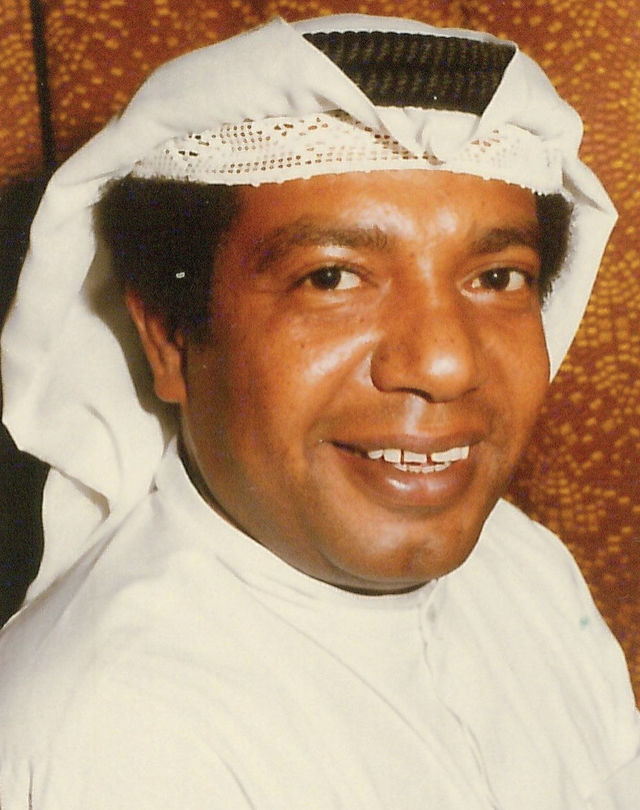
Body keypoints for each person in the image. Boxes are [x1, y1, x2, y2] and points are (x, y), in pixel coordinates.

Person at [0, 13, 638, 809]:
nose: (446, 364)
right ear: (169, 339)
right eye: (332, 278)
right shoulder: (122, 734)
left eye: (497, 277)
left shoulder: (525, 566)